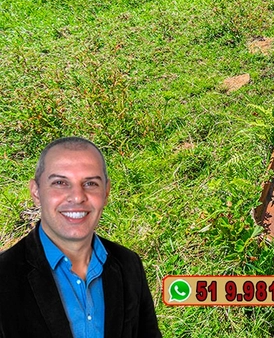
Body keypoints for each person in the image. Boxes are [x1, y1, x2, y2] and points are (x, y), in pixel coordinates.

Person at [0, 137, 162, 338]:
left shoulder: (129, 264)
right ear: (36, 191)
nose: (77, 197)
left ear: (106, 192)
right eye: (60, 183)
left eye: (90, 183)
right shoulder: (4, 276)